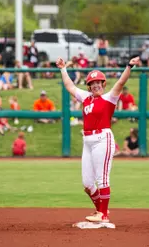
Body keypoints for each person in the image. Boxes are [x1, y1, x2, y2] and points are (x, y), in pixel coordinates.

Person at [56, 55, 140, 223]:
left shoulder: (109, 97)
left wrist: (129, 67)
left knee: (102, 179)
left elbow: (120, 83)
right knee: (87, 184)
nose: (95, 85)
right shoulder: (86, 98)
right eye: (92, 83)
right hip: (87, 141)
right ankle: (100, 210)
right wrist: (63, 69)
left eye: (98, 82)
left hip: (103, 138)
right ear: (89, 86)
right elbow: (69, 86)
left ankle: (103, 214)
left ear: (103, 84)